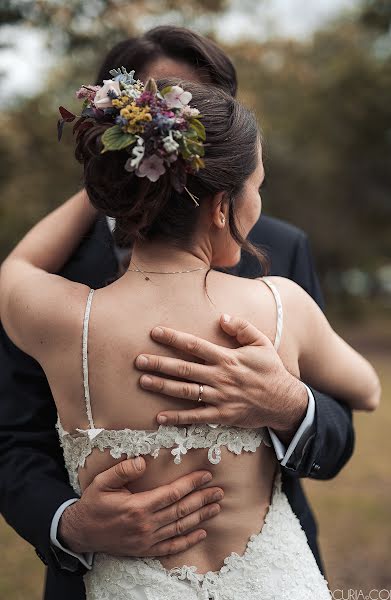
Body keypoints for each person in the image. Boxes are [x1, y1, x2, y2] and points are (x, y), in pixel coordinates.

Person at [0, 27, 357, 600]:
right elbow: (12, 434)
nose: (169, 130)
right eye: (154, 107)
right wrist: (68, 524)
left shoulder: (283, 250)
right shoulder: (55, 266)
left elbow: (341, 424)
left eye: (190, 110)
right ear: (114, 125)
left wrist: (290, 404)